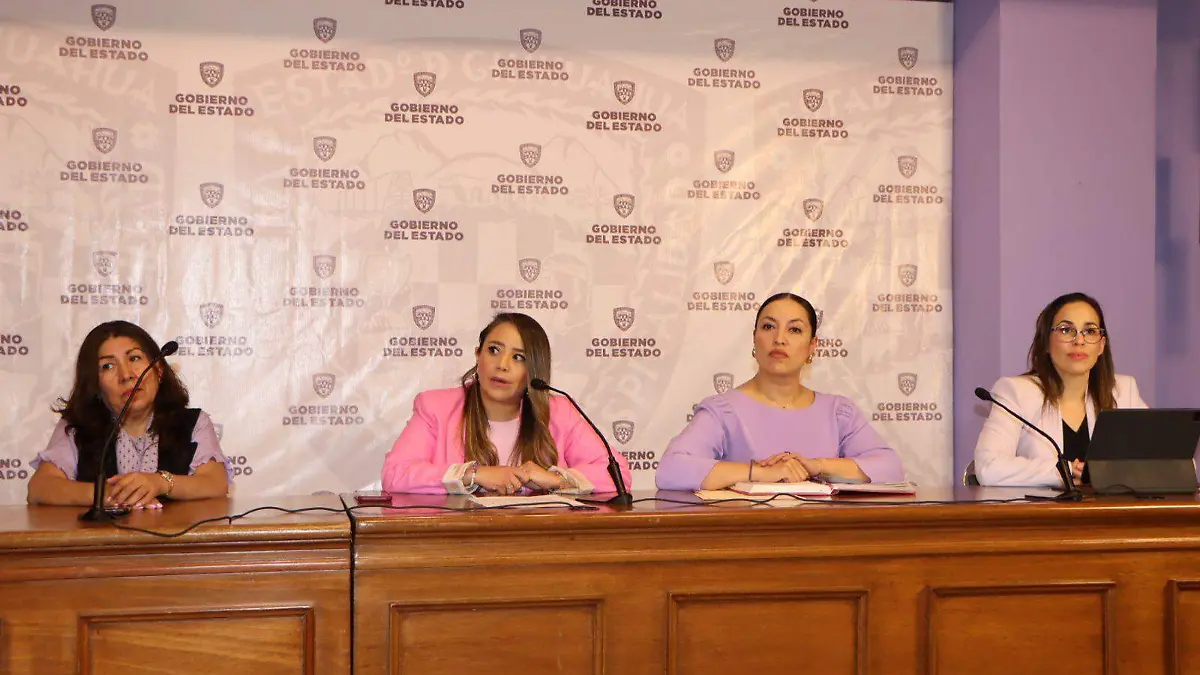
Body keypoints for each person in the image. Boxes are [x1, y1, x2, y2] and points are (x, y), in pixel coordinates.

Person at [656, 292, 905, 491]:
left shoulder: (838, 412)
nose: (779, 339)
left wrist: (816, 466)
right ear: (754, 339)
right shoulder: (723, 411)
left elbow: (890, 468)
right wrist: (761, 473)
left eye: (794, 330)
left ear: (812, 346)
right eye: (768, 327)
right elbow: (670, 470)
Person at [382, 312, 632, 495]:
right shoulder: (436, 407)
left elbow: (618, 474)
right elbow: (395, 473)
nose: (502, 365)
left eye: (518, 357)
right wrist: (474, 474)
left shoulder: (559, 412)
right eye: (494, 350)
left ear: (534, 369)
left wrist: (556, 479)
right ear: (477, 355)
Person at [28, 320, 231, 509]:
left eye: (134, 358)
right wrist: (109, 494)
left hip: (173, 535)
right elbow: (40, 488)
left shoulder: (193, 423)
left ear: (158, 370)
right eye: (108, 366)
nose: (126, 375)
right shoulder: (77, 427)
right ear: (96, 385)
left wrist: (161, 483)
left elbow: (215, 483)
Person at [974, 292, 1146, 487]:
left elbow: (1162, 461)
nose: (1079, 341)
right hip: (1042, 507)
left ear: (1101, 346)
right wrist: (1063, 472)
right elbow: (988, 468)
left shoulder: (1123, 392)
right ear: (1046, 343)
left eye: (1090, 331)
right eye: (1066, 330)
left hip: (1110, 507)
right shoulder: (1016, 392)